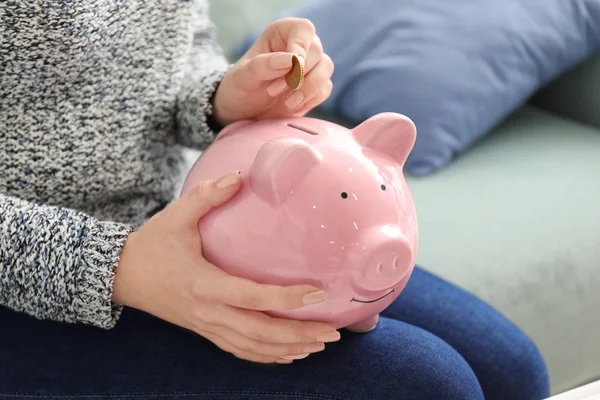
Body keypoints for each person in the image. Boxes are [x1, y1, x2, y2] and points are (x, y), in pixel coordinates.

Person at [0, 1, 550, 399]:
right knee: (429, 386)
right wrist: (119, 267)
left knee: (512, 370)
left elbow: (177, 49)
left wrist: (220, 97)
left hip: (177, 223)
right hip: (36, 281)